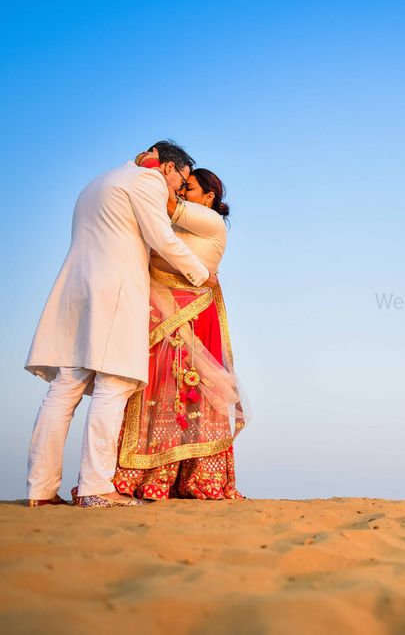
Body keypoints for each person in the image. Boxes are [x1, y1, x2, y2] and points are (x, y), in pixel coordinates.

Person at [25, 141, 210, 509]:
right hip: (115, 292)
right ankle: (96, 487)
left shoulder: (97, 182)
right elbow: (161, 236)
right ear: (169, 168)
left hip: (76, 291)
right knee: (116, 385)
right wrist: (200, 273)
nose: (176, 190)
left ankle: (40, 490)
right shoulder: (147, 181)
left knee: (64, 390)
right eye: (180, 181)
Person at [112, 164, 247, 500]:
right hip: (160, 312)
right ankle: (148, 475)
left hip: (190, 315)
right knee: (154, 390)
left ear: (209, 196)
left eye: (189, 187)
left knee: (188, 392)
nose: (182, 192)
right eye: (182, 186)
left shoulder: (211, 221)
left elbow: (167, 205)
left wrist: (151, 169)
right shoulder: (172, 223)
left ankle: (198, 477)